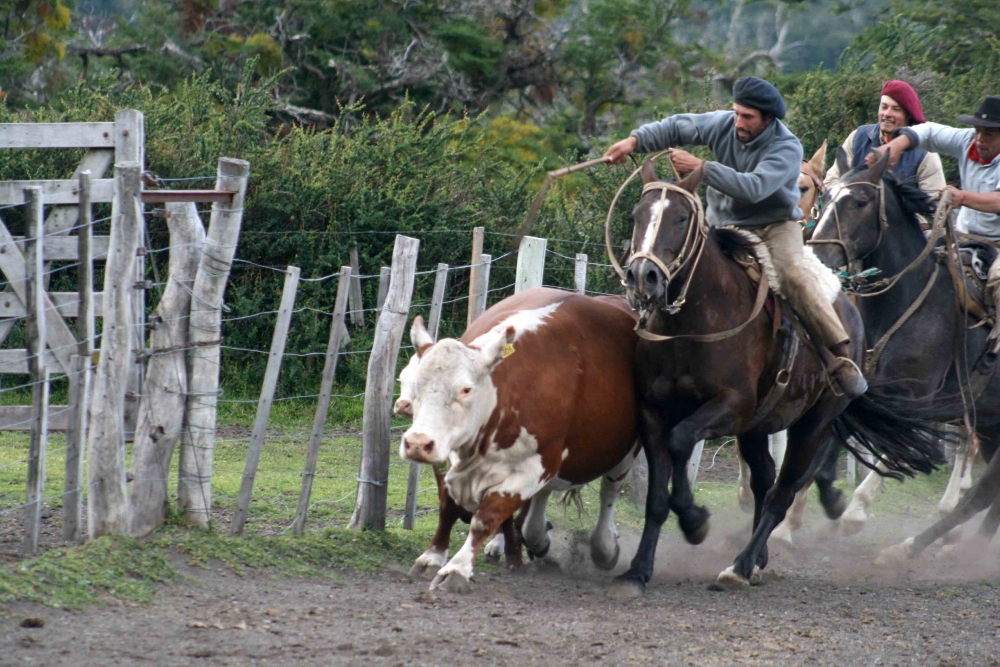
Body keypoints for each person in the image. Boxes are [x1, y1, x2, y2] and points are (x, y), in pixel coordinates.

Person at [604, 76, 867, 398]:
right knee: (668, 256)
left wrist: (703, 167)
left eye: (748, 117)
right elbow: (678, 126)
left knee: (793, 274)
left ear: (767, 119)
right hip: (721, 223)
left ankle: (838, 356)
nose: (738, 122)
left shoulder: (787, 147)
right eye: (736, 113)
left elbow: (754, 188)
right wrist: (633, 141)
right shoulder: (724, 124)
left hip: (773, 226)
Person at [871, 95, 1000, 356]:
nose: (979, 139)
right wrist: (893, 147)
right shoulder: (967, 141)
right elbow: (928, 132)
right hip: (963, 237)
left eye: (989, 134)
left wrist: (962, 197)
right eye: (977, 131)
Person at [824, 80, 945, 199]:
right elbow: (831, 182)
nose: (887, 113)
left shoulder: (926, 154)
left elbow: (933, 208)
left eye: (896, 109)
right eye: (884, 107)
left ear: (908, 115)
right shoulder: (858, 137)